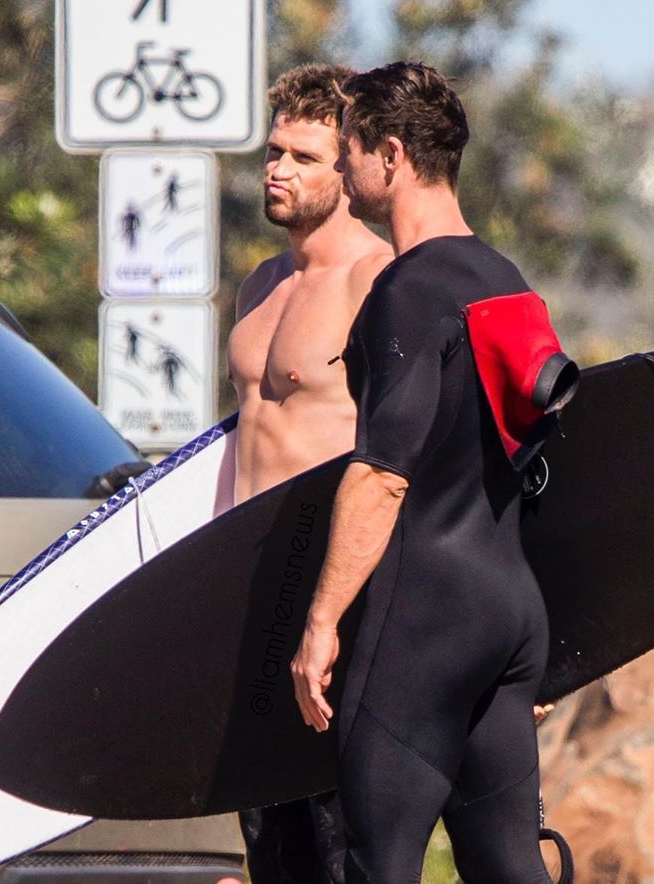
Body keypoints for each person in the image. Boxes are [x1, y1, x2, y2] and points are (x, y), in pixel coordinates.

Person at [290, 62, 572, 883]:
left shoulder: (406, 292)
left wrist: (320, 623)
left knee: (377, 866)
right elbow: (534, 470)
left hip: (423, 626)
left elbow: (382, 474)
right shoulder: (503, 279)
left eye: (346, 152)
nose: (341, 171)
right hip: (509, 615)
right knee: (510, 868)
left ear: (389, 154)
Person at [226, 63, 393, 884]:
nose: (277, 169)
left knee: (336, 844)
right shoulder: (261, 283)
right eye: (274, 150)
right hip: (245, 591)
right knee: (269, 842)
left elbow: (414, 453)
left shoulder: (378, 281)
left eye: (302, 156)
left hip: (333, 594)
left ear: (350, 169)